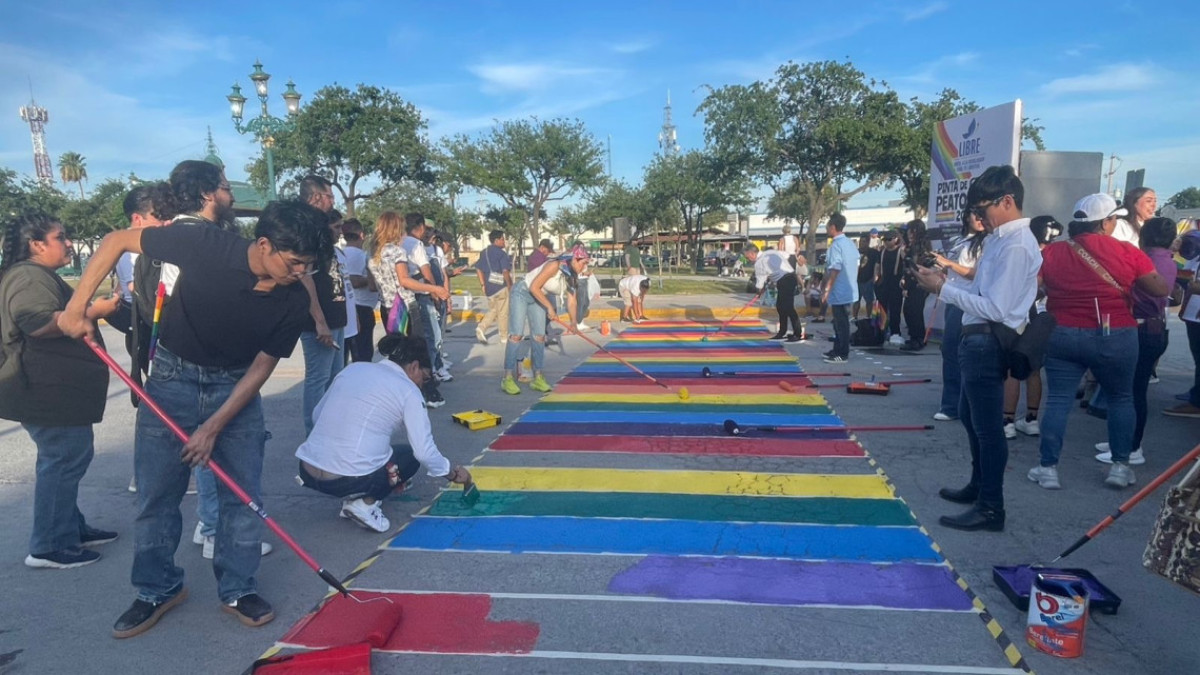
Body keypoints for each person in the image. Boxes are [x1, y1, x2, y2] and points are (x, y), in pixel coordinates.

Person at [58, 200, 332, 636]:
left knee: (242, 497)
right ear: (264, 244)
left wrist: (212, 427)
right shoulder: (203, 243)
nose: (299, 273)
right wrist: (77, 306)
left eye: (308, 267)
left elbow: (261, 368)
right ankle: (157, 589)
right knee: (157, 496)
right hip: (172, 379)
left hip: (236, 388)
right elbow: (115, 241)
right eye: (295, 262)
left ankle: (238, 587)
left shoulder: (293, 300)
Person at [914, 164, 1041, 532]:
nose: (978, 216)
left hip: (989, 339)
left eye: (982, 208)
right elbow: (979, 291)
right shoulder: (1001, 239)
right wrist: (945, 282)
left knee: (987, 428)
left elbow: (997, 308)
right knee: (971, 419)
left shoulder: (1016, 244)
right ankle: (979, 486)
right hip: (977, 337)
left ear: (1007, 201)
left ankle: (991, 506)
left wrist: (942, 289)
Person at [0, 212, 119, 569]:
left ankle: (69, 527)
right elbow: (36, 322)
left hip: (52, 389)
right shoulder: (28, 277)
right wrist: (94, 310)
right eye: (61, 237)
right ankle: (50, 544)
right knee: (63, 459)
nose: (68, 243)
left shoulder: (34, 274)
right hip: (44, 390)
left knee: (68, 458)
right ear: (37, 244)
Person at [1032, 193, 1168, 491]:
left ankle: (1048, 469)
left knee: (1057, 401)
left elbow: (1034, 290)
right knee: (1122, 398)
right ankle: (1120, 467)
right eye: (1114, 219)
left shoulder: (1052, 253)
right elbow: (1159, 288)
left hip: (1063, 333)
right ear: (1106, 223)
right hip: (1116, 332)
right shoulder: (1127, 251)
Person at [296, 334, 472, 532]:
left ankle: (353, 498)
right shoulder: (408, 391)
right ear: (414, 366)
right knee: (409, 458)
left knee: (388, 452)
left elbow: (316, 414)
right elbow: (424, 452)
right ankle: (365, 504)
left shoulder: (353, 368)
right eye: (424, 378)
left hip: (307, 470)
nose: (422, 385)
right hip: (348, 479)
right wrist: (452, 474)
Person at [1093, 217, 1179, 464]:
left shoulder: (1147, 261)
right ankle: (1122, 439)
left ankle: (1131, 447)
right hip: (1154, 329)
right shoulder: (1167, 260)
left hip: (1141, 329)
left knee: (1132, 390)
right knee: (1131, 388)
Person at [368, 212, 450, 408]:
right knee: (418, 350)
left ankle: (397, 392)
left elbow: (371, 285)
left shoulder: (372, 254)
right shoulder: (397, 252)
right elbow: (405, 281)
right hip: (405, 306)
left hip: (388, 309)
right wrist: (435, 288)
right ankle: (428, 392)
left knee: (398, 352)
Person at [501, 245, 590, 395]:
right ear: (574, 259)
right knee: (516, 335)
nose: (585, 266)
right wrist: (549, 307)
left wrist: (573, 322)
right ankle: (508, 378)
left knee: (540, 337)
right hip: (522, 293)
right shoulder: (554, 265)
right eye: (583, 262)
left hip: (538, 297)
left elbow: (572, 301)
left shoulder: (572, 275)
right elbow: (534, 287)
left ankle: (538, 378)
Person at [300, 209, 354, 434]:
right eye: (335, 227)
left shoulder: (334, 252)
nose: (340, 231)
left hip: (337, 322)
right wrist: (320, 322)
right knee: (318, 378)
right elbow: (305, 282)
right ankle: (313, 432)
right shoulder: (313, 252)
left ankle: (331, 428)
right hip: (319, 326)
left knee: (335, 378)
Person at [931, 211, 986, 421]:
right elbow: (951, 270)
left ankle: (956, 406)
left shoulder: (986, 243)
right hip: (952, 297)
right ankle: (952, 404)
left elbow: (976, 273)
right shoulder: (960, 240)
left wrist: (949, 264)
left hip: (969, 300)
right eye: (976, 215)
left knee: (958, 351)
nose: (980, 219)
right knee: (949, 351)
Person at [744, 243, 803, 342]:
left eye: (748, 257)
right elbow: (787, 255)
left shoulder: (759, 263)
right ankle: (782, 332)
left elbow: (760, 281)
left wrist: (759, 292)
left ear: (752, 253)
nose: (748, 259)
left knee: (788, 307)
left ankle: (797, 334)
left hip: (785, 280)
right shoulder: (770, 252)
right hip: (789, 278)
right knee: (780, 306)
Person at [822, 214, 859, 364]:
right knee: (838, 322)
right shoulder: (850, 243)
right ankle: (836, 349)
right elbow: (856, 264)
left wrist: (827, 289)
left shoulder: (836, 245)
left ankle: (842, 353)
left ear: (832, 227)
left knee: (841, 323)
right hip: (849, 289)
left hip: (839, 290)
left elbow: (835, 268)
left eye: (827, 226)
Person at [340, 218, 378, 363]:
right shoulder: (357, 255)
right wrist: (372, 280)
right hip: (360, 308)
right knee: (362, 353)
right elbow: (354, 281)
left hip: (353, 307)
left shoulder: (343, 253)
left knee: (347, 353)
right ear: (361, 235)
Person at [474, 230, 512, 345]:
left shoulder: (484, 252)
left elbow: (478, 268)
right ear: (496, 240)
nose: (504, 241)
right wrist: (510, 285)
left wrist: (483, 284)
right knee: (503, 312)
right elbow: (505, 271)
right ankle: (504, 337)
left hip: (489, 287)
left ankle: (481, 327)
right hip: (501, 286)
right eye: (502, 239)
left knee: (494, 310)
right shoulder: (502, 254)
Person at [900, 220, 933, 351]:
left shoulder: (919, 247)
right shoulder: (918, 246)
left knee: (913, 311)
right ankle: (917, 337)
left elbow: (913, 267)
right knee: (912, 311)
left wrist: (907, 283)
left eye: (909, 230)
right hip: (918, 282)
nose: (908, 233)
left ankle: (917, 339)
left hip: (917, 283)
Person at [877, 231, 905, 344]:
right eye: (885, 240)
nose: (887, 242)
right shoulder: (882, 252)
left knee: (895, 310)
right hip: (884, 283)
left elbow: (906, 267)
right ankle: (881, 332)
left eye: (889, 240)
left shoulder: (900, 252)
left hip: (896, 284)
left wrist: (903, 279)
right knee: (882, 310)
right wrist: (876, 278)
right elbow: (878, 266)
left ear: (895, 239)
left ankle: (895, 332)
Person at [853, 234, 879, 321]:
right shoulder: (855, 252)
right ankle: (854, 317)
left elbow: (877, 265)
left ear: (868, 242)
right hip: (857, 280)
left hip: (868, 279)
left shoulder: (873, 253)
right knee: (856, 300)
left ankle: (868, 316)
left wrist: (874, 277)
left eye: (863, 241)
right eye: (860, 241)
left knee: (869, 300)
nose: (861, 244)